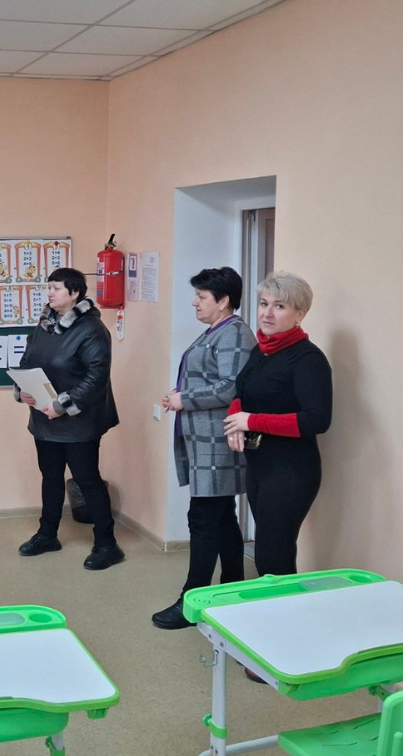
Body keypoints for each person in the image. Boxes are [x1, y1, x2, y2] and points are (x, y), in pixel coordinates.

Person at [152, 267, 257, 630]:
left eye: (201, 297)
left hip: (218, 441)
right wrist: (180, 396)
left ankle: (192, 599)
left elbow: (231, 386)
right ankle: (232, 588)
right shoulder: (216, 330)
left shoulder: (235, 333)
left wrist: (185, 398)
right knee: (222, 515)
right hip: (204, 438)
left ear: (224, 300)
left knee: (202, 518)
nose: (194, 303)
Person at [223, 271, 332, 579]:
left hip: (291, 471)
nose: (267, 313)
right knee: (268, 553)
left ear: (300, 314)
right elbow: (242, 391)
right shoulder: (263, 349)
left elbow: (317, 420)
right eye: (263, 303)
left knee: (273, 555)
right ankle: (275, 606)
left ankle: (286, 609)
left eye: (279, 306)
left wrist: (251, 420)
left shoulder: (307, 359)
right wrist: (236, 420)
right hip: (260, 465)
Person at [14, 268, 123, 570]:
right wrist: (23, 390)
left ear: (74, 293)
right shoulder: (44, 325)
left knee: (87, 480)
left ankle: (107, 544)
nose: (50, 293)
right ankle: (47, 535)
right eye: (49, 287)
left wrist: (62, 405)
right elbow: (27, 362)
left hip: (79, 423)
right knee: (50, 477)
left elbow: (97, 377)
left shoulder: (92, 329)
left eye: (57, 288)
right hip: (43, 419)